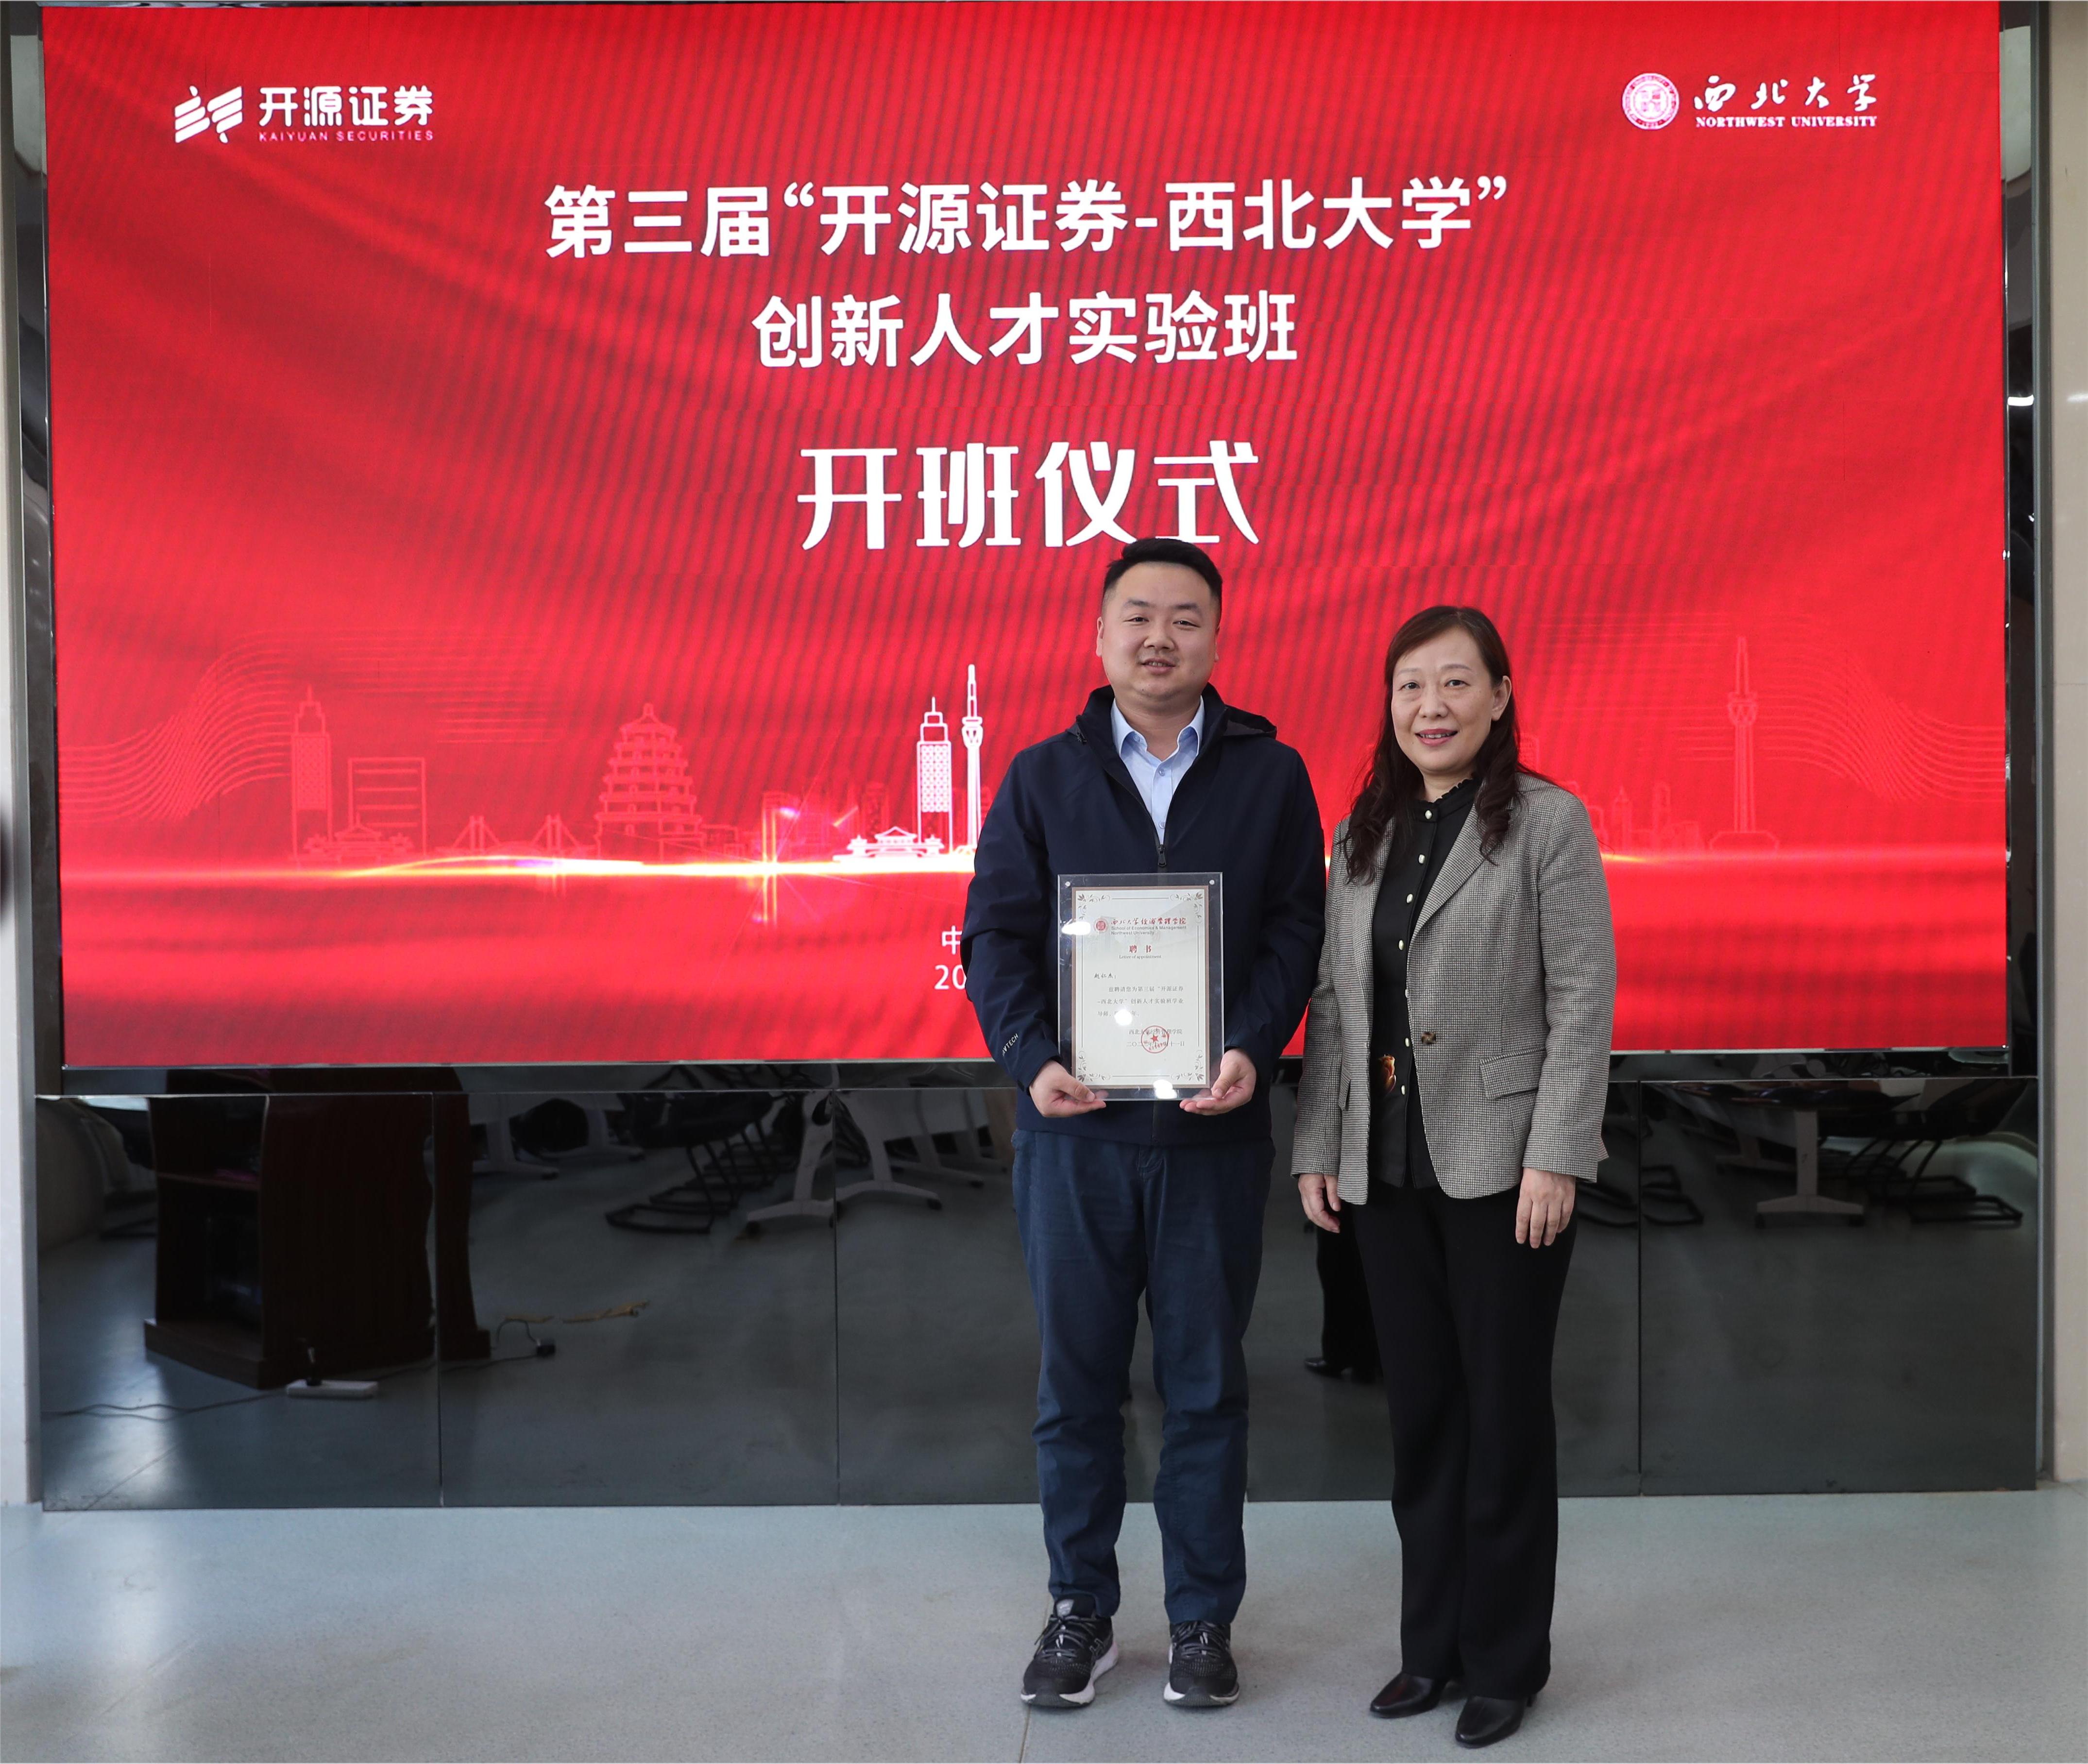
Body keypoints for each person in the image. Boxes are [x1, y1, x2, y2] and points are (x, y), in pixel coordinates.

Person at [963, 536, 1324, 1712]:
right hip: (1075, 1139)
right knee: (1075, 1390)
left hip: (1212, 1134)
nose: (1158, 637)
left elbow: (1294, 930)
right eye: (1136, 616)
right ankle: (1080, 1608)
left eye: (1183, 617)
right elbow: (994, 937)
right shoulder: (1039, 777)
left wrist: (1250, 1042)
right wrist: (1032, 1058)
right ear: (1100, 634)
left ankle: (1201, 1618)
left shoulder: (1270, 777)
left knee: (1205, 1388)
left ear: (1216, 637)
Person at [1290, 605, 1614, 1750]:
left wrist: (1555, 1152)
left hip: (1503, 1167)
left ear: (1499, 695)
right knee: (1421, 1416)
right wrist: (1317, 1146)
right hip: (1384, 1170)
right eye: (1408, 687)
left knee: (1503, 1416)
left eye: (1453, 683)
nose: (1429, 706)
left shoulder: (1544, 822)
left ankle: (1504, 1661)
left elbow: (1580, 998)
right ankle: (1427, 1647)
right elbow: (1335, 1004)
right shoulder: (1361, 830)